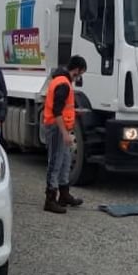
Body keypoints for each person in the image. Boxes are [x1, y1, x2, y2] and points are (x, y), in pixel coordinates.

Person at [42, 55, 87, 214]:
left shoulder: (63, 81)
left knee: (65, 161)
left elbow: (62, 108)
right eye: (80, 73)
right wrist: (65, 133)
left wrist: (74, 113)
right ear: (77, 70)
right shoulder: (63, 84)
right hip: (56, 128)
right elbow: (56, 111)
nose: (79, 77)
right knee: (55, 162)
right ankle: (50, 199)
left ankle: (64, 194)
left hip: (61, 127)